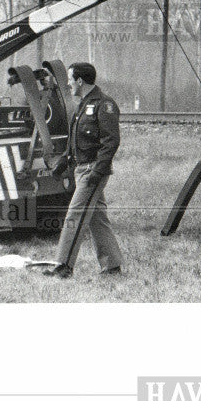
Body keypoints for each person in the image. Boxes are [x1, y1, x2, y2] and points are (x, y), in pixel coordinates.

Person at [45, 62, 124, 278]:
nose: (68, 83)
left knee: (75, 216)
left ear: (80, 80)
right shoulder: (83, 104)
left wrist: (97, 172)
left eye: (70, 79)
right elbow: (76, 140)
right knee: (97, 218)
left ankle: (63, 266)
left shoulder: (104, 104)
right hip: (83, 169)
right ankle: (112, 266)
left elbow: (111, 141)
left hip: (92, 171)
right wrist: (63, 162)